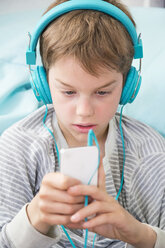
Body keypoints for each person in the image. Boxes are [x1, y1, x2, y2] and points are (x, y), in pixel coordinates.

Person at [0, 0, 165, 247]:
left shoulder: (150, 150)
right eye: (68, 92)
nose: (84, 112)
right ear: (42, 83)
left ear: (128, 86)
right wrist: (35, 218)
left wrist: (138, 234)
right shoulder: (17, 146)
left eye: (102, 93)